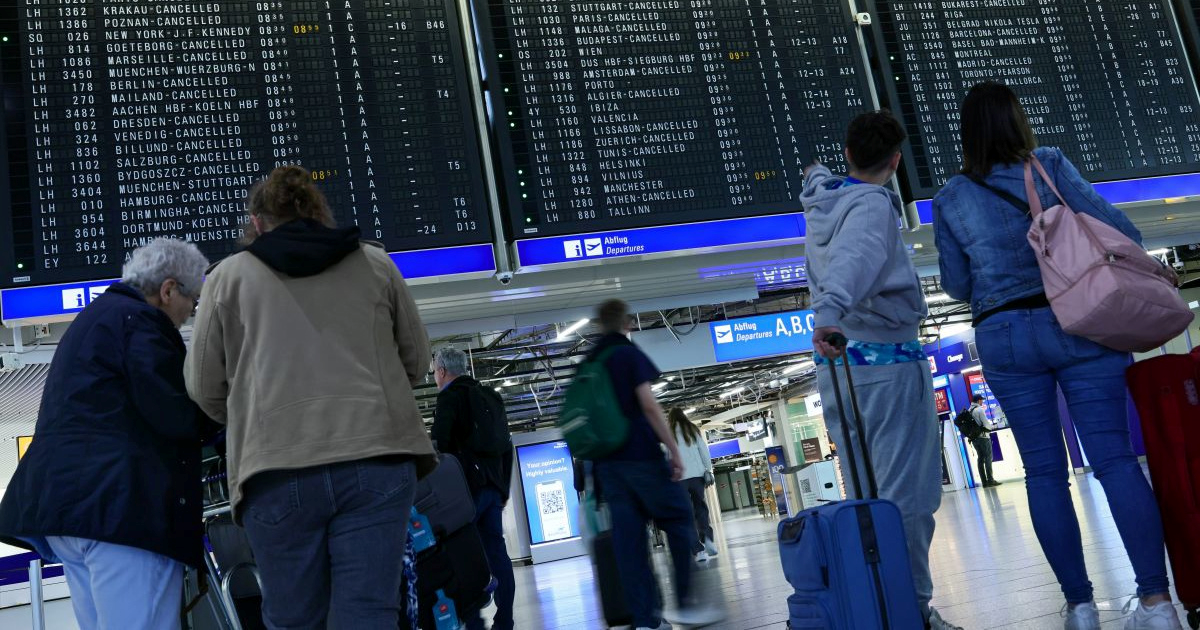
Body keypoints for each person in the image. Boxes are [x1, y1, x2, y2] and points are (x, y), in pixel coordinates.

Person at [933, 81, 1182, 630]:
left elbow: (954, 283)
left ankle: (1081, 608)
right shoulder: (1045, 164)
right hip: (1082, 322)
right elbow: (1121, 230)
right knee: (1114, 460)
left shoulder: (949, 197)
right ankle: (1157, 604)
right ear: (1017, 121)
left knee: (1044, 473)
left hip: (1004, 335)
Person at [185, 165, 438, 629]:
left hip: (276, 470)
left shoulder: (227, 278)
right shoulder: (376, 264)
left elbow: (203, 386)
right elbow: (417, 360)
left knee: (294, 618)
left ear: (258, 222)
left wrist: (250, 417)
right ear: (319, 212)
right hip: (377, 458)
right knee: (368, 615)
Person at [0, 238, 213, 630]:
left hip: (69, 516)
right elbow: (176, 415)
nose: (190, 312)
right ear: (168, 290)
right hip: (120, 511)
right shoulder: (139, 322)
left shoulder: (94, 319)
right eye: (193, 301)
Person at [803, 110, 960, 630]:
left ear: (849, 154)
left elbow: (841, 253)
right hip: (885, 366)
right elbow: (857, 258)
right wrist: (828, 313)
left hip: (843, 369)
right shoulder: (870, 204)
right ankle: (909, 611)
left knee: (868, 498)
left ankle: (879, 605)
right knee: (905, 500)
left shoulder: (825, 201)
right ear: (895, 162)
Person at [588, 299, 723, 630]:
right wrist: (673, 448)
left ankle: (646, 620)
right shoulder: (627, 353)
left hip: (609, 469)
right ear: (627, 324)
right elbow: (648, 405)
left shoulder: (589, 362)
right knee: (679, 519)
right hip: (642, 458)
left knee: (630, 543)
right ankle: (685, 603)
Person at [431, 347, 516, 630]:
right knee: (497, 553)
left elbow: (440, 446)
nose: (434, 376)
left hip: (465, 493)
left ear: (442, 371)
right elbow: (507, 443)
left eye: (434, 371)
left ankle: (474, 621)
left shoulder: (449, 397)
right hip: (493, 488)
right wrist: (503, 489)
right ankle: (505, 620)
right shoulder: (491, 396)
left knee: (465, 559)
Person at [667, 408, 718, 562]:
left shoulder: (668, 432)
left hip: (680, 477)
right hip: (697, 476)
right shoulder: (691, 429)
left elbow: (667, 455)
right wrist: (707, 469)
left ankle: (698, 550)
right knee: (700, 508)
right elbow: (703, 450)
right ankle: (707, 538)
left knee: (686, 514)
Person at [968, 395, 1000, 488]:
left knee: (980, 459)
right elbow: (986, 424)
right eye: (982, 400)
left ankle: (984, 482)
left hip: (974, 439)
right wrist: (992, 427)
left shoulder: (969, 410)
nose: (982, 402)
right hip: (983, 437)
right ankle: (991, 480)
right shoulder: (979, 410)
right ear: (978, 400)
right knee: (988, 458)